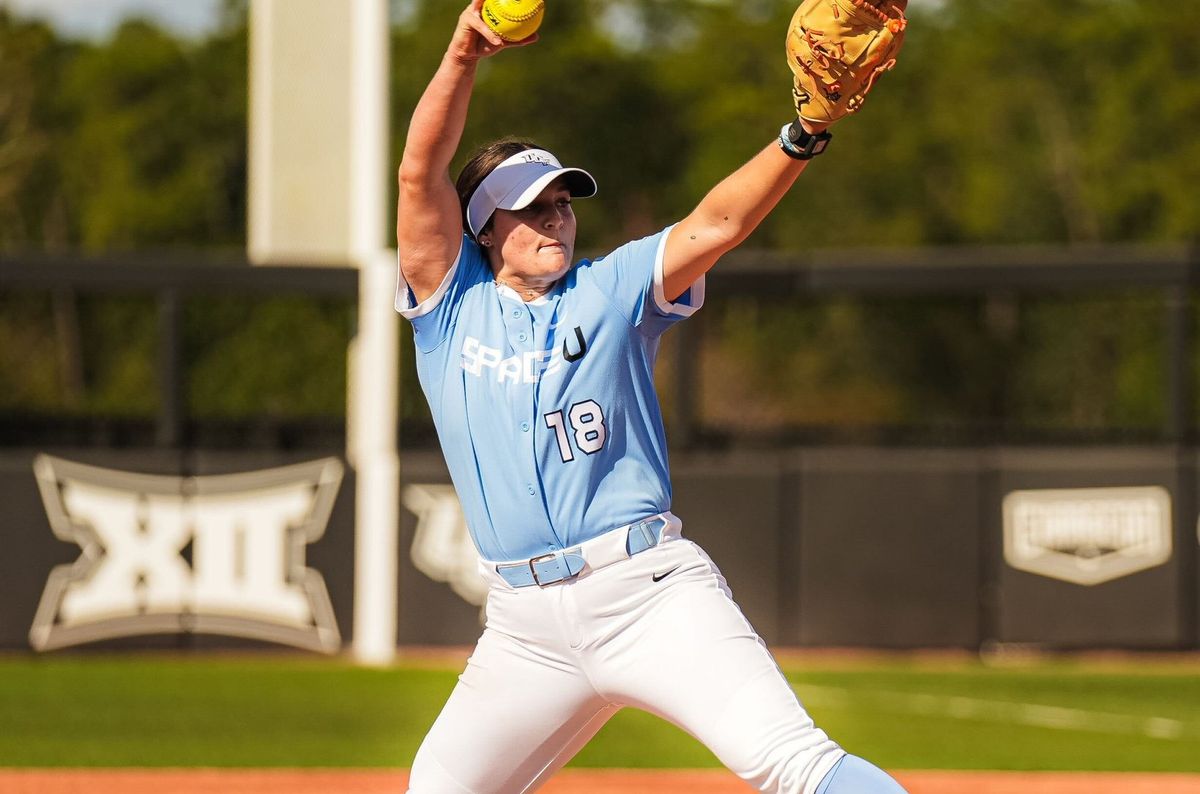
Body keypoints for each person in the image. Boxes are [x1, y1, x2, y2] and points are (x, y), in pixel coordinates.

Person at [395, 2, 909, 792]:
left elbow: (719, 222)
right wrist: (462, 52)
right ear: (482, 227)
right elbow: (418, 172)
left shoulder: (610, 290)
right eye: (531, 206)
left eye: (563, 201)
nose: (556, 216)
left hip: (646, 594)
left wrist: (800, 135)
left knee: (795, 763)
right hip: (522, 631)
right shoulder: (449, 307)